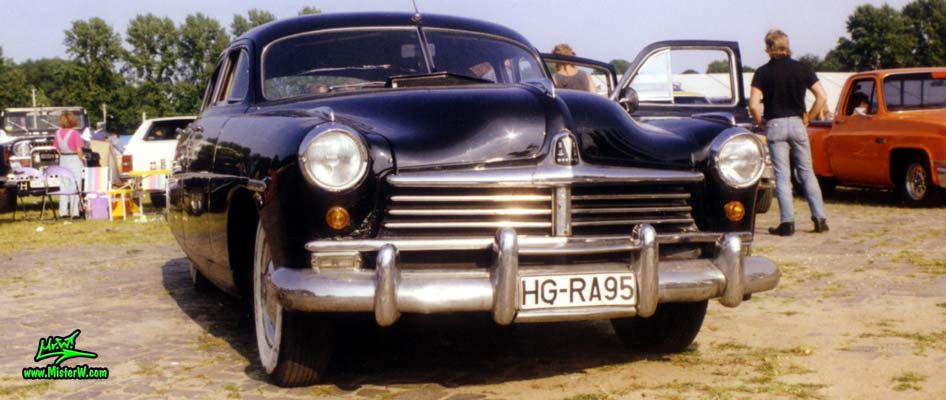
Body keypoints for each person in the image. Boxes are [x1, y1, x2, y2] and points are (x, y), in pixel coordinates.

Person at [748, 29, 829, 236]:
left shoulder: (762, 72)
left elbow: (754, 105)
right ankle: (820, 219)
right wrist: (809, 117)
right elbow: (822, 96)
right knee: (807, 173)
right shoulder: (802, 68)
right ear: (787, 46)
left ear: (769, 48)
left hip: (774, 125)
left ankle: (787, 223)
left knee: (782, 176)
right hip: (797, 123)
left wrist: (761, 123)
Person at [52, 111, 85, 218]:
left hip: (63, 160)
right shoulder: (75, 133)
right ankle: (74, 212)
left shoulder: (57, 133)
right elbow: (79, 149)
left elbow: (57, 149)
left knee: (64, 186)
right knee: (75, 185)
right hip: (74, 159)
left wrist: (63, 154)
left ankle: (63, 212)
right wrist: (82, 159)